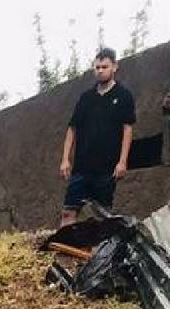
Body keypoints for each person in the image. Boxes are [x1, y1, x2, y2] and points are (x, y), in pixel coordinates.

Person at [59, 48, 136, 227]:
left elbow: (128, 129)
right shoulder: (86, 98)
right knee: (68, 212)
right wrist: (65, 159)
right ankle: (65, 252)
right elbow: (72, 128)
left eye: (105, 66)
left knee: (102, 216)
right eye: (97, 67)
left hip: (107, 169)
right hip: (81, 167)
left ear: (115, 67)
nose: (100, 70)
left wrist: (123, 162)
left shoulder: (123, 95)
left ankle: (97, 254)